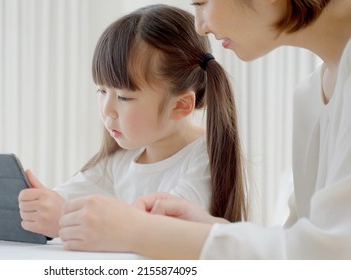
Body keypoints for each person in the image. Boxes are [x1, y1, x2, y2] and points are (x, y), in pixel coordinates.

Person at [59, 0, 351, 259]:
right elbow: (301, 245)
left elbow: (330, 254)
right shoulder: (311, 95)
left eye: (202, 2)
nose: (200, 27)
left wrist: (138, 231)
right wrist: (211, 229)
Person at [18, 4, 247, 238]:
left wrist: (64, 219)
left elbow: (162, 231)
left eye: (124, 97)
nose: (108, 110)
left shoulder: (203, 157)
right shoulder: (122, 158)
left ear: (180, 105)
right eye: (102, 91)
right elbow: (63, 199)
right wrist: (40, 205)